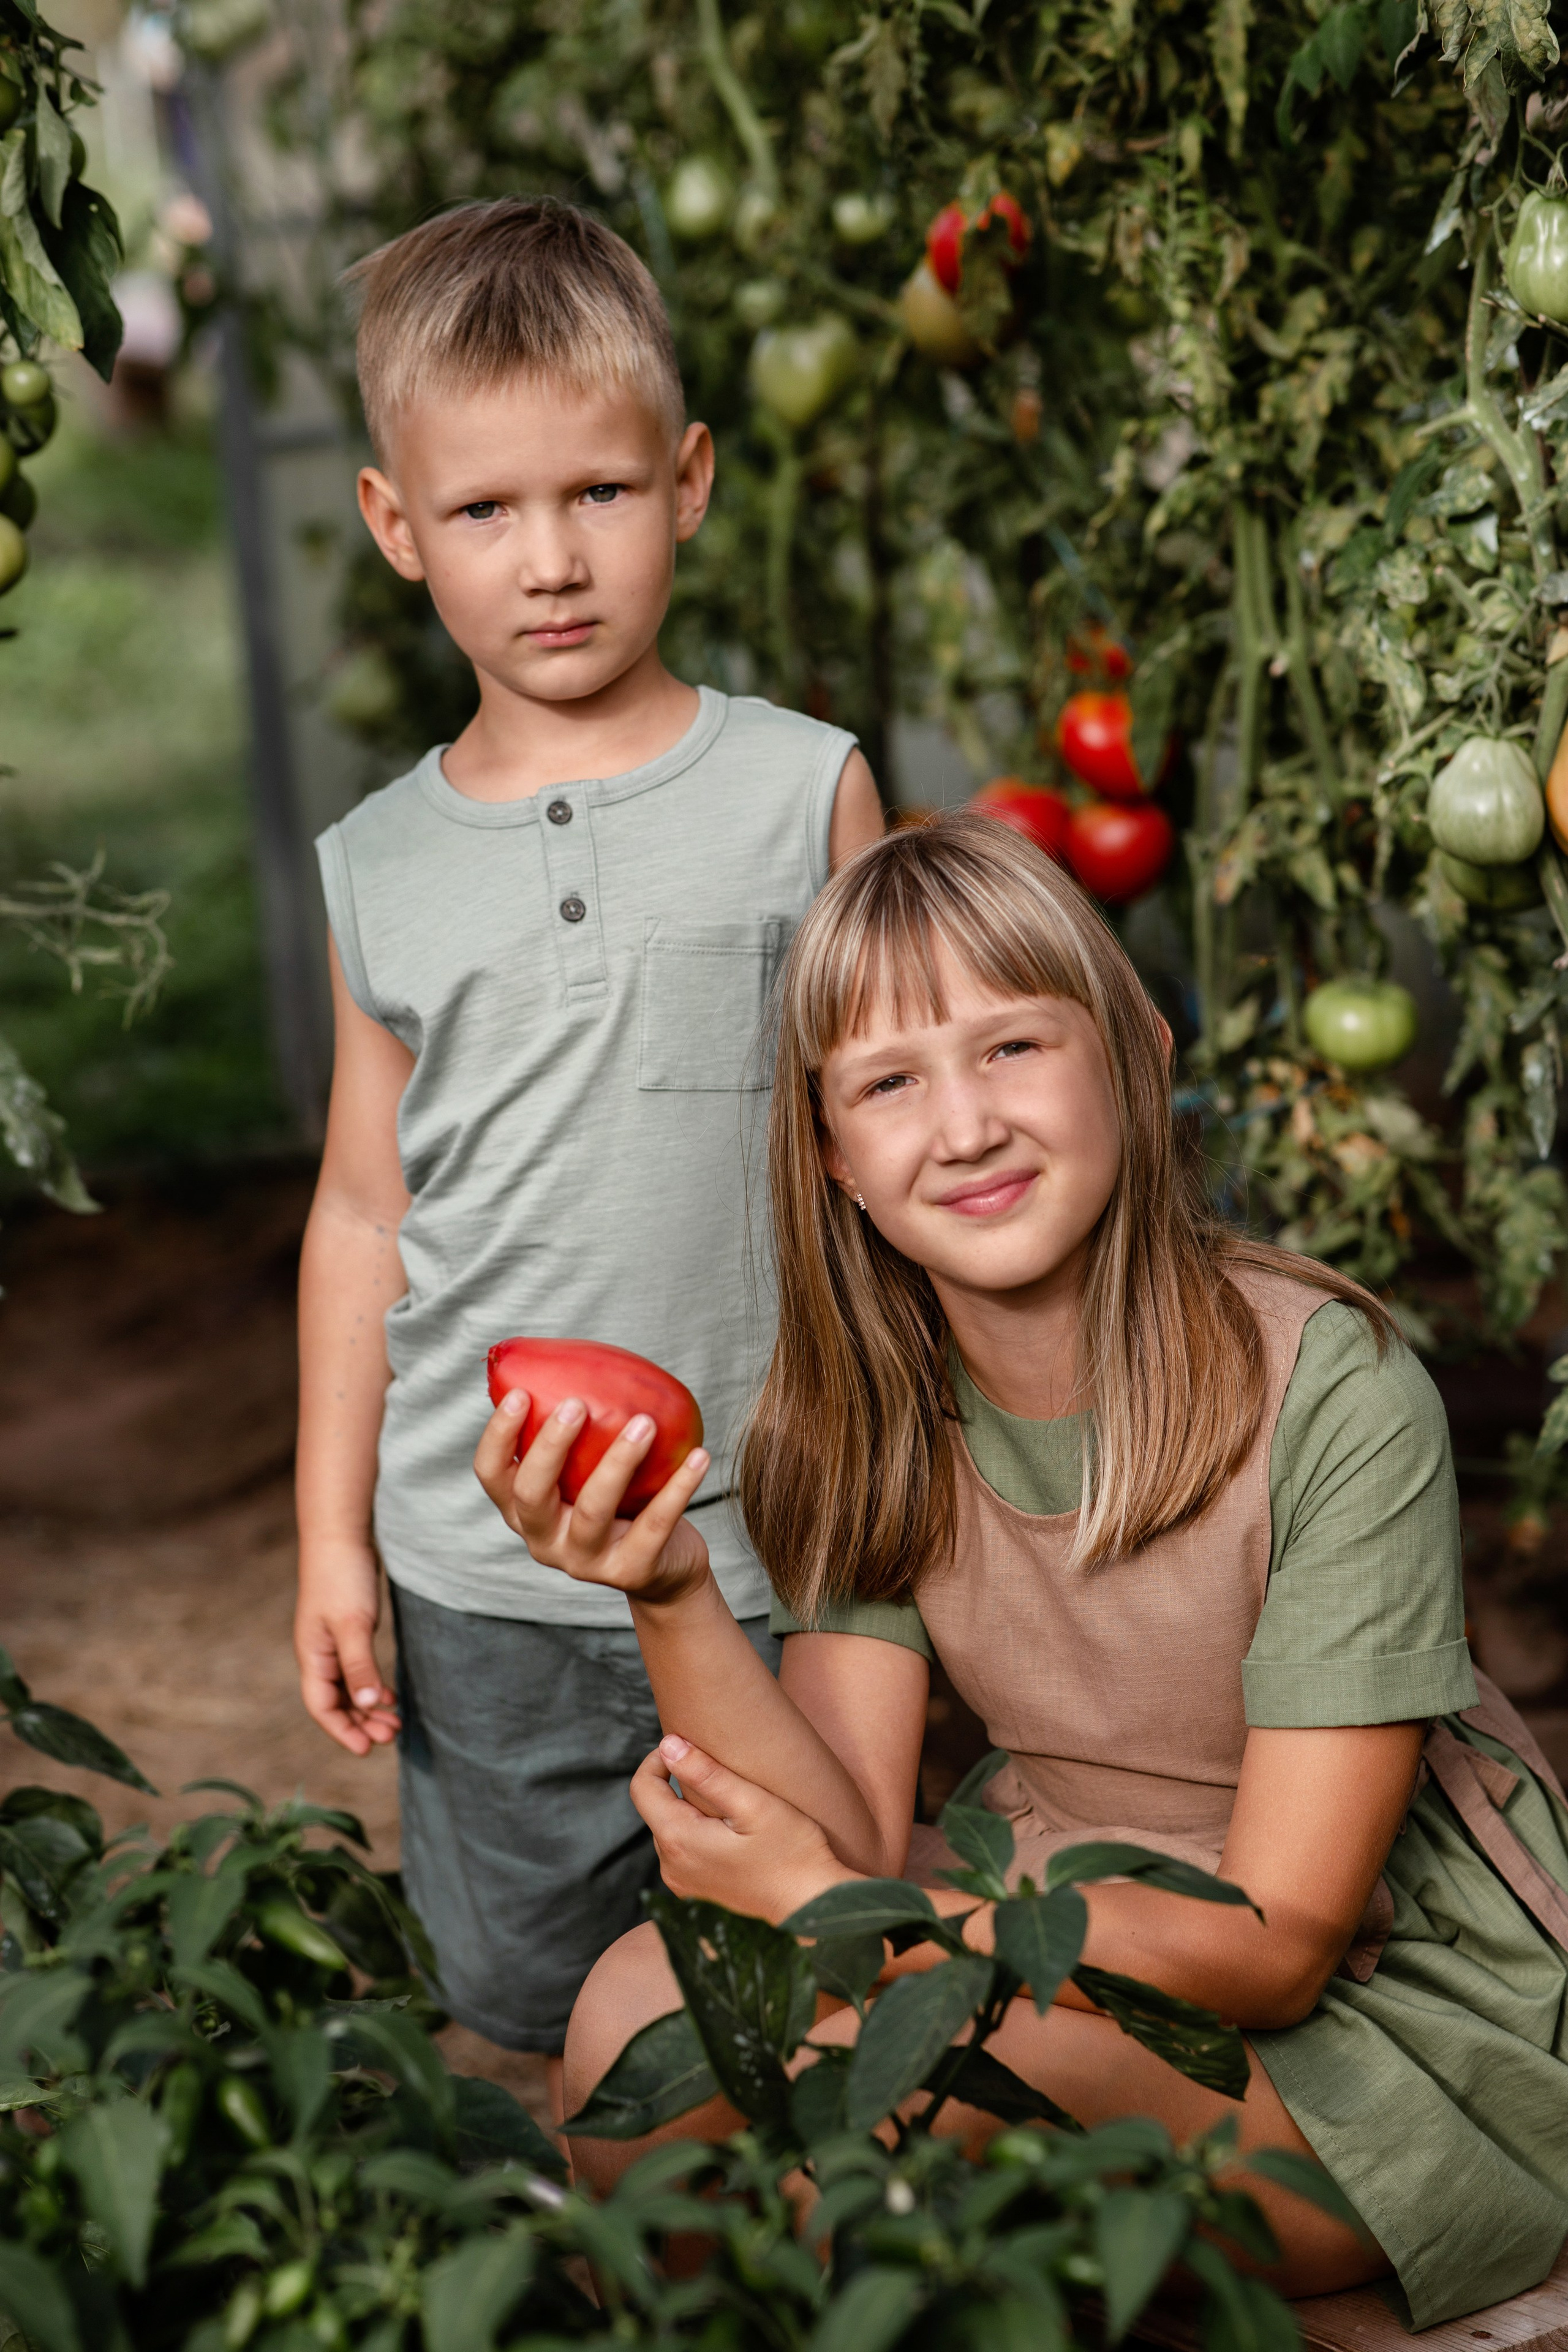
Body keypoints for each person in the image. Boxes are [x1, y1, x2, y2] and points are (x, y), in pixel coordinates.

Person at [477, 813, 1568, 2326]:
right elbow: (842, 1824)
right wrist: (661, 1590)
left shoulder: (1331, 1387)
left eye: (1010, 1048)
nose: (963, 1126)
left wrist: (853, 1914)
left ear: (1132, 1051)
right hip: (1049, 1895)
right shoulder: (866, 1412)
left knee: (884, 2103)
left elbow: (1282, 1945)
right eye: (889, 1082)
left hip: (1369, 2019)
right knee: (628, 2032)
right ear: (833, 1156)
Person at [293, 197, 884, 2106]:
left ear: (690, 481)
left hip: (780, 1533)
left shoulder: (805, 789)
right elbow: (364, 1208)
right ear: (398, 526)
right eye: (485, 512)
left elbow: (900, 1141)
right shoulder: (377, 866)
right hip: (489, 1563)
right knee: (537, 1994)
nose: (551, 561)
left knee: (828, 1955)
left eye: (602, 494)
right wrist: (330, 1538)